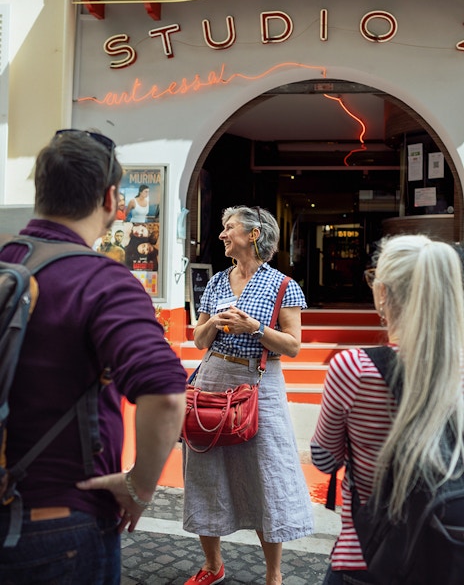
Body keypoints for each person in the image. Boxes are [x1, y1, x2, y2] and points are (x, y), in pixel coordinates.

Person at [0, 129, 187, 584]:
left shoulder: (6, 259)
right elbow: (165, 393)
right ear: (110, 198)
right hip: (58, 521)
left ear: (42, 191)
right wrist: (140, 486)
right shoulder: (102, 280)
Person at [310, 234, 464, 585]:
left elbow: (324, 459)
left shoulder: (354, 367)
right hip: (451, 548)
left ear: (382, 293)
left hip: (369, 555)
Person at [183, 205, 314, 585]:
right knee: (206, 471)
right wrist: (216, 326)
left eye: (229, 227)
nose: (222, 234)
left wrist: (254, 327)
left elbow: (292, 346)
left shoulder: (284, 285)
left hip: (260, 382)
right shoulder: (217, 282)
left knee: (267, 474)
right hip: (212, 378)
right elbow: (197, 339)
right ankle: (212, 566)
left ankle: (274, 575)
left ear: (254, 234)